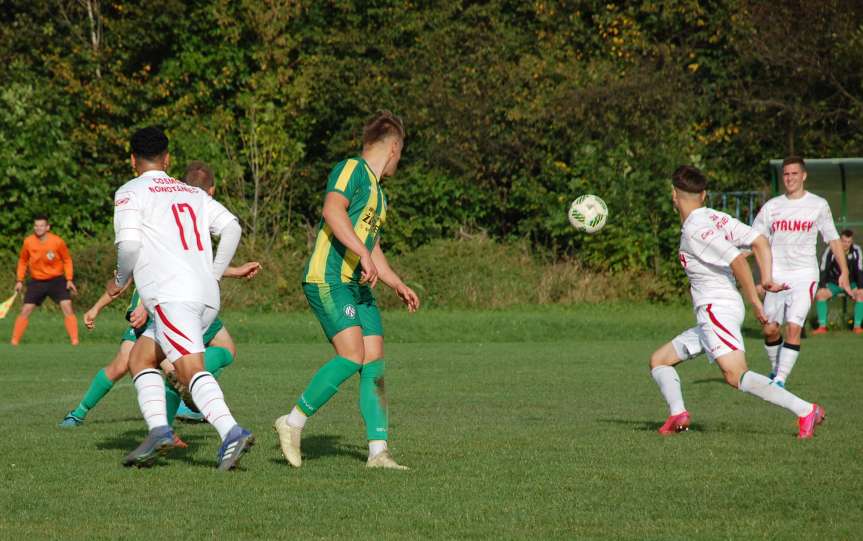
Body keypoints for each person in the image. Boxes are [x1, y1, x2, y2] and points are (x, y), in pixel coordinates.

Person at [274, 111, 419, 470]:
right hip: (329, 278)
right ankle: (292, 422)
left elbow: (372, 245)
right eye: (401, 154)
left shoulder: (379, 194)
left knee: (374, 361)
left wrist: (395, 281)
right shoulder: (351, 169)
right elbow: (332, 211)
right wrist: (361, 253)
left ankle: (378, 452)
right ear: (394, 147)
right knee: (352, 355)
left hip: (358, 285)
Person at [107, 127, 253, 470]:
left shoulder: (130, 192)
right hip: (204, 296)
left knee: (189, 369)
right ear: (167, 158)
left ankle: (231, 431)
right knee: (140, 358)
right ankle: (159, 429)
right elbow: (232, 227)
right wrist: (215, 273)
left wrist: (119, 280)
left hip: (172, 297)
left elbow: (128, 246)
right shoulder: (191, 193)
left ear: (132, 160)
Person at [649, 165, 824, 439]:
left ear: (674, 195)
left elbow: (738, 260)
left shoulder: (696, 229)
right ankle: (677, 414)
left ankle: (805, 410)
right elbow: (759, 240)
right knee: (660, 360)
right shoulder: (715, 217)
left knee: (735, 375)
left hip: (716, 310)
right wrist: (765, 278)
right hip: (717, 311)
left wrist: (756, 301)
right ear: (704, 194)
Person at [751, 156, 852, 387]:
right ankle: (776, 369)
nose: (790, 178)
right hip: (776, 275)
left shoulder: (817, 204)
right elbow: (755, 239)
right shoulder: (772, 207)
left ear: (803, 176)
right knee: (769, 329)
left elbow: (834, 240)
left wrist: (844, 272)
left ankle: (780, 379)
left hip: (804, 274)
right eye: (786, 174)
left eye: (794, 174)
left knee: (793, 327)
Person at [11, 215, 79, 345]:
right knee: (25, 310)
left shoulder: (57, 241)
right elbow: (23, 261)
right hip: (37, 281)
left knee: (67, 307)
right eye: (36, 225)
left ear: (47, 227)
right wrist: (19, 280)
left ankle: (75, 341)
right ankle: (14, 342)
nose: (38, 228)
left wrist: (69, 279)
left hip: (57, 280)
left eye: (41, 225)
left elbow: (67, 260)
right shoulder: (28, 242)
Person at [813, 229, 863, 334]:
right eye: (844, 241)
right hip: (834, 284)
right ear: (840, 240)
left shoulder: (856, 250)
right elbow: (823, 268)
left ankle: (857, 326)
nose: (846, 244)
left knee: (861, 295)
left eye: (849, 242)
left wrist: (860, 287)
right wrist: (822, 286)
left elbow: (859, 269)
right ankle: (822, 327)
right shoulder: (831, 250)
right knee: (820, 294)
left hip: (851, 284)